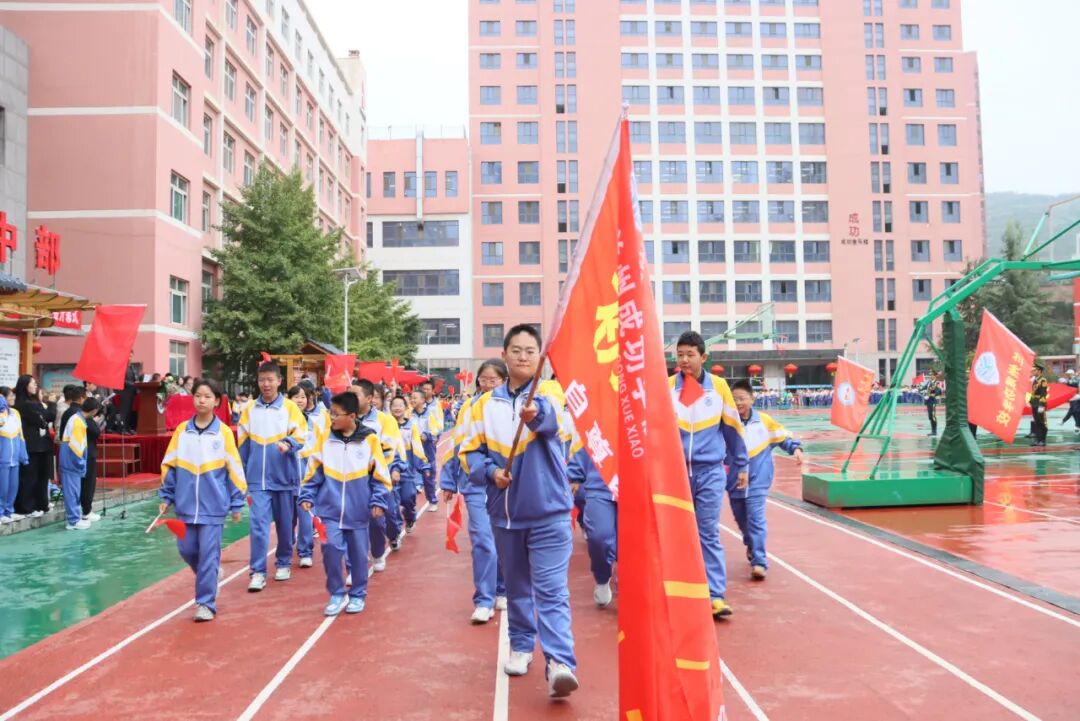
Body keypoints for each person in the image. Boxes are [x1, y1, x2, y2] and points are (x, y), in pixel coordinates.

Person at [460, 324, 578, 698]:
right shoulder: (483, 404)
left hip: (549, 512)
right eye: (517, 350)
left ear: (539, 357)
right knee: (517, 588)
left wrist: (536, 415)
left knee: (552, 590)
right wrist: (491, 472)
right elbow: (468, 453)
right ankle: (523, 645)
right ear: (504, 353)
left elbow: (557, 423)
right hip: (506, 514)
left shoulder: (551, 393)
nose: (523, 357)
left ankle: (560, 662)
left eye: (530, 351)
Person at [670, 331, 748, 618]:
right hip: (675, 475)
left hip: (710, 472)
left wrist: (741, 466)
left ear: (703, 357)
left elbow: (732, 429)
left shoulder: (718, 388)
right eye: (680, 354)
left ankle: (715, 595)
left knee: (707, 532)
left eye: (690, 355)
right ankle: (681, 592)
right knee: (676, 535)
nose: (684, 360)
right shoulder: (667, 387)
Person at [159, 380, 247, 621]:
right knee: (187, 550)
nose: (202, 400)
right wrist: (166, 496)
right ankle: (210, 574)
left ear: (217, 401)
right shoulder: (181, 432)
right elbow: (170, 465)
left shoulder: (224, 433)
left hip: (214, 506)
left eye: (207, 396)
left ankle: (205, 603)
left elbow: (234, 470)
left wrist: (236, 502)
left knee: (209, 554)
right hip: (185, 506)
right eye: (198, 395)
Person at [300, 391, 392, 616]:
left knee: (359, 556)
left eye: (336, 414)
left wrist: (378, 500)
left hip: (359, 512)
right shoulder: (325, 438)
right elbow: (313, 471)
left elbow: (380, 475)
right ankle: (336, 593)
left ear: (351, 416)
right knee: (330, 549)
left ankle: (358, 594)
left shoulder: (369, 439)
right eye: (330, 413)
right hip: (329, 510)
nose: (331, 418)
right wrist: (307, 495)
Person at [441, 359, 509, 624]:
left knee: (502, 539)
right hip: (475, 483)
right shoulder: (469, 408)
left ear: (504, 381)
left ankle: (502, 588)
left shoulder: (510, 407)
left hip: (503, 484)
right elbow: (458, 444)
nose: (488, 384)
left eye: (494, 380)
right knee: (482, 540)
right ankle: (483, 599)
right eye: (484, 379)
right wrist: (448, 480)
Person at [238, 361, 307, 591]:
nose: (266, 384)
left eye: (270, 380)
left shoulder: (289, 408)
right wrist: (243, 477)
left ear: (279, 381)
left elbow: (301, 434)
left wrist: (288, 443)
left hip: (284, 477)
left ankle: (284, 561)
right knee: (258, 524)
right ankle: (257, 571)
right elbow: (243, 445)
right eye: (262, 380)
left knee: (285, 524)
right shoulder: (249, 409)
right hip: (257, 479)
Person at [727, 380, 804, 580]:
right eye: (734, 399)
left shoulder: (764, 421)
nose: (738, 403)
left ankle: (759, 561)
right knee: (742, 520)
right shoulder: (727, 423)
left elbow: (783, 437)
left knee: (756, 518)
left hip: (758, 480)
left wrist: (795, 448)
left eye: (742, 398)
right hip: (734, 481)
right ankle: (751, 544)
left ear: (752, 399)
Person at [352, 380, 405, 572]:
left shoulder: (384, 420)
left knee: (381, 517)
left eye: (356, 394)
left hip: (378, 478)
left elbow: (390, 449)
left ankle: (378, 550)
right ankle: (355, 565)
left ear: (370, 399)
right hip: (352, 478)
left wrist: (392, 469)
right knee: (353, 521)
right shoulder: (346, 417)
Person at [566, 443, 615, 608]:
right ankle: (602, 577)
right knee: (599, 537)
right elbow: (587, 437)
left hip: (635, 484)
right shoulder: (601, 418)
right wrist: (574, 474)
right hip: (600, 484)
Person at [287, 385, 318, 569]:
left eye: (303, 397)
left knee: (305, 514)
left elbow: (315, 449)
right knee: (287, 517)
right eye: (296, 397)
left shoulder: (312, 422)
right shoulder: (281, 421)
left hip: (305, 476)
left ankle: (305, 551)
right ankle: (287, 545)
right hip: (285, 477)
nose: (300, 400)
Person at [389, 394, 429, 535]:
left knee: (408, 498)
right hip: (390, 469)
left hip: (407, 469)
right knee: (392, 504)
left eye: (400, 405)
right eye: (394, 405)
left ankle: (410, 517)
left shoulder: (411, 425)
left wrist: (424, 465)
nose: (397, 408)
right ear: (390, 408)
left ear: (406, 408)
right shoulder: (386, 425)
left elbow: (417, 447)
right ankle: (395, 533)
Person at [14, 375, 53, 518]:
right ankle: (26, 506)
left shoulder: (33, 402)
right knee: (29, 477)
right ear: (25, 386)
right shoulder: (24, 404)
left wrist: (45, 413)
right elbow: (42, 419)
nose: (35, 386)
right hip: (31, 445)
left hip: (42, 445)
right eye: (33, 384)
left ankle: (40, 504)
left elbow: (46, 416)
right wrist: (47, 411)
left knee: (42, 477)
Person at [59, 398, 100, 530]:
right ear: (94, 411)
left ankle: (75, 518)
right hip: (71, 460)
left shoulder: (77, 418)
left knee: (74, 489)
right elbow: (76, 447)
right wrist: (80, 463)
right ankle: (73, 521)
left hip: (70, 459)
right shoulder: (78, 422)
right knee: (72, 491)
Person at [409, 388, 440, 511]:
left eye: (415, 398)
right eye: (411, 398)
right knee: (409, 476)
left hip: (427, 449)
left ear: (422, 400)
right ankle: (410, 505)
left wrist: (427, 435)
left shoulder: (430, 414)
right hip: (412, 449)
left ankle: (432, 500)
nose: (412, 400)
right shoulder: (409, 414)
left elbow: (436, 430)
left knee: (428, 477)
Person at [0, 390, 29, 523]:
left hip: (15, 457)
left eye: (13, 395)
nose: (13, 397)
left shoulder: (15, 413)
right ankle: (0, 512)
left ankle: (9, 510)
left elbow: (21, 435)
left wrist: (23, 455)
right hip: (3, 458)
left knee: (13, 486)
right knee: (2, 486)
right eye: (9, 395)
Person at [118, 351, 139, 434]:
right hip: (125, 392)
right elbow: (122, 380)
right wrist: (133, 384)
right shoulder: (122, 366)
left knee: (130, 411)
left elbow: (134, 378)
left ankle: (127, 428)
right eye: (128, 356)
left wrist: (137, 382)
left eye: (131, 356)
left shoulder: (132, 367)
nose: (130, 358)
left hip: (132, 392)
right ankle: (122, 429)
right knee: (124, 411)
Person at [1031, 364, 1049, 447]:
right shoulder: (1035, 380)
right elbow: (1033, 392)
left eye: (1035, 370)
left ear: (1039, 371)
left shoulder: (1042, 380)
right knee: (1037, 422)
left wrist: (1042, 405)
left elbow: (1043, 393)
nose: (1033, 372)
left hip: (1040, 403)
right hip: (1034, 403)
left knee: (1042, 422)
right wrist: (1031, 401)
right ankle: (1038, 440)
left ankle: (1043, 440)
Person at [923, 371, 943, 437]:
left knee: (933, 416)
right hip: (928, 401)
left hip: (933, 401)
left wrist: (929, 395)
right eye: (930, 375)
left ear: (935, 376)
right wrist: (923, 392)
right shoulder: (929, 382)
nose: (930, 376)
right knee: (930, 416)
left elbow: (938, 391)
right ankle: (932, 430)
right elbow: (924, 388)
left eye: (931, 375)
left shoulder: (936, 382)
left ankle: (934, 431)